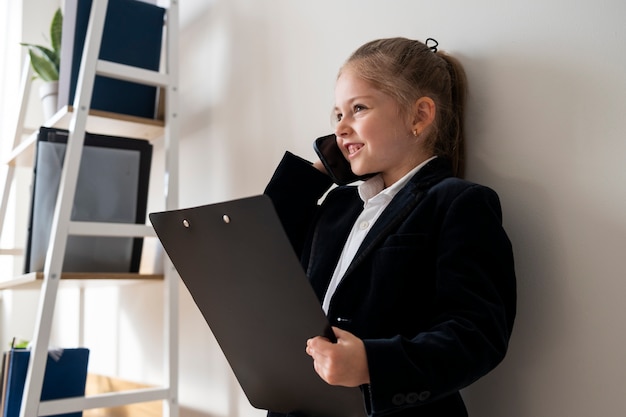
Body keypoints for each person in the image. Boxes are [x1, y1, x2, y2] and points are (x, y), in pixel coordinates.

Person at [264, 37, 516, 417]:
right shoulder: (337, 206)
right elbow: (265, 247)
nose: (341, 128)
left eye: (358, 109)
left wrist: (371, 364)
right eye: (337, 115)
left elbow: (476, 336)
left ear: (419, 116)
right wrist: (321, 170)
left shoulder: (458, 204)